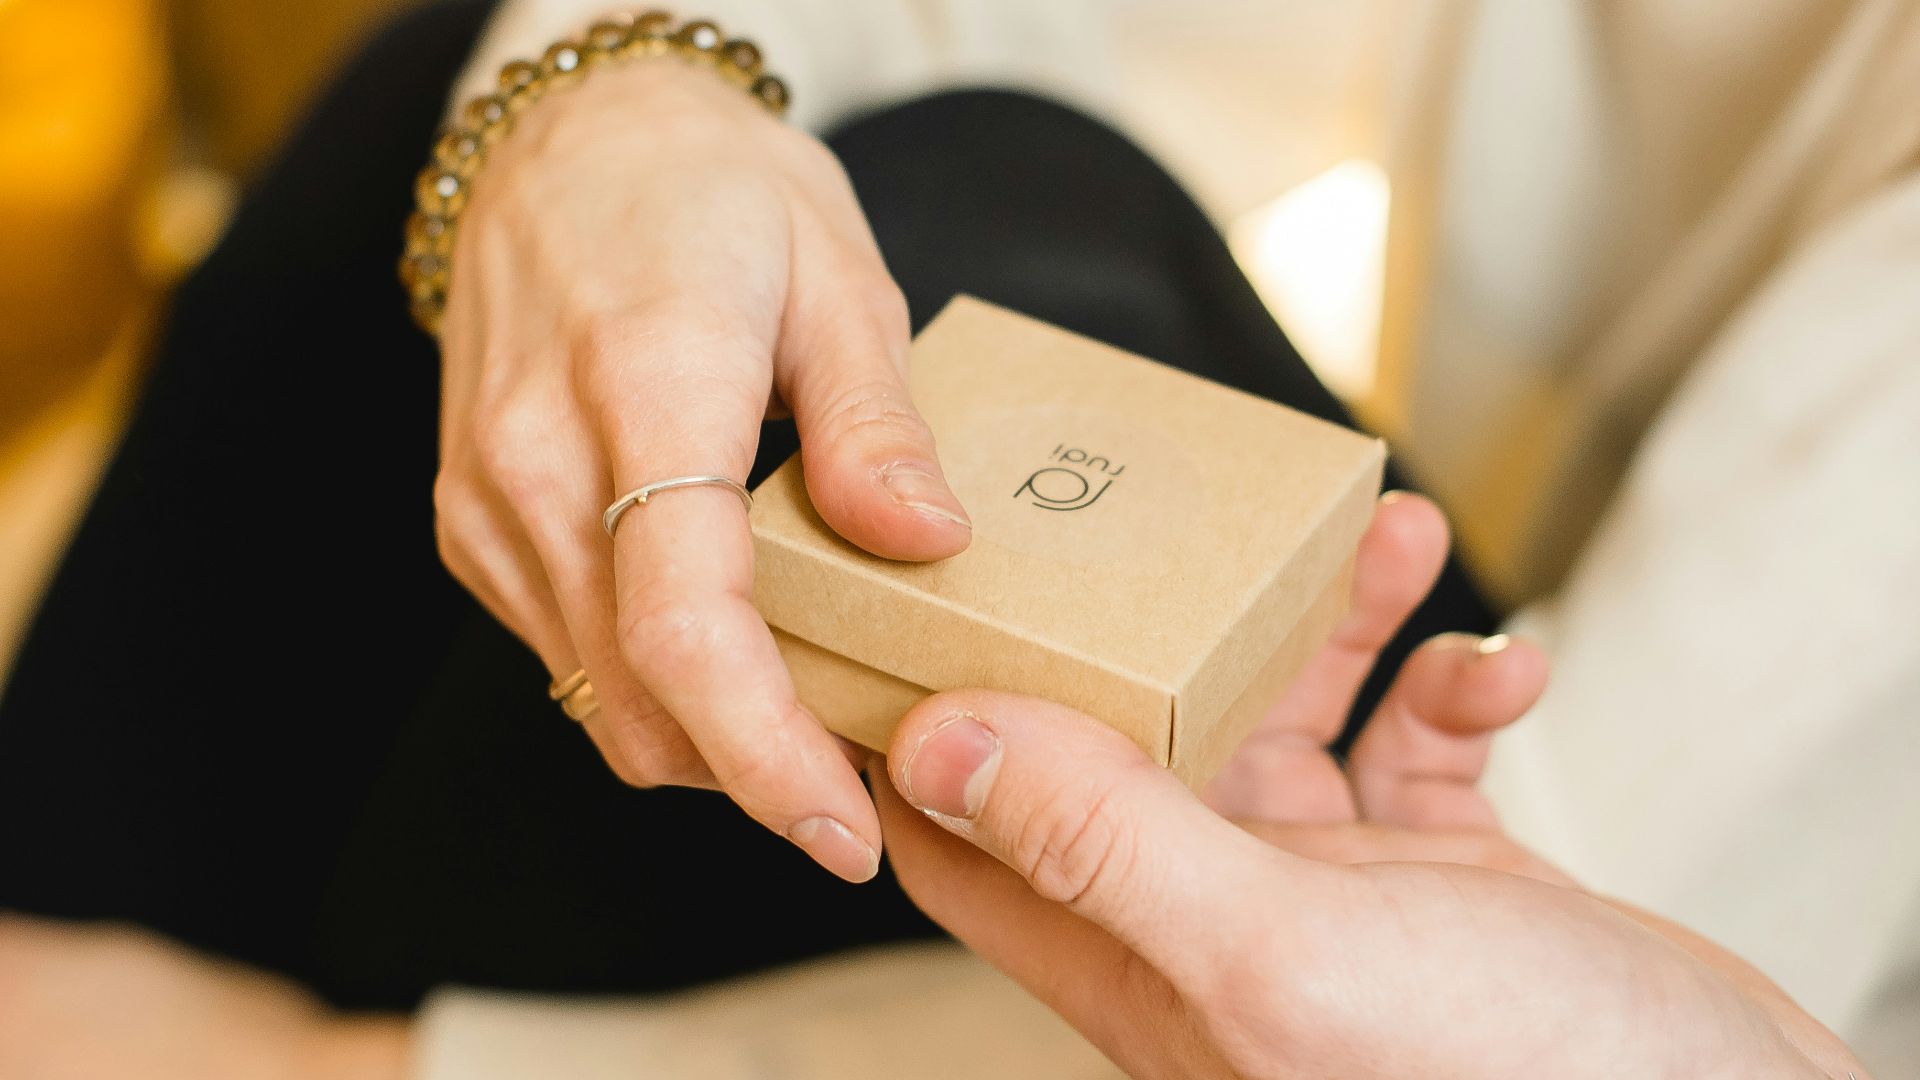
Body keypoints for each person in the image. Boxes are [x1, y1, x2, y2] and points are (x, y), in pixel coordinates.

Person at [0, 0, 1910, 1075]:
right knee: (503, 129)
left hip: (1704, 961)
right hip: (1435, 728)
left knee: (967, 236)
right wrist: (620, 105)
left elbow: (1561, 985)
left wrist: (329, 1070)